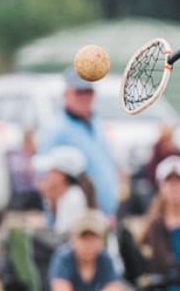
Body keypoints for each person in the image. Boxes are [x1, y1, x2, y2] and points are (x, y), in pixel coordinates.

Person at [40, 67, 121, 220]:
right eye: (79, 92)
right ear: (66, 94)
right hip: (78, 221)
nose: (85, 97)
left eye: (89, 92)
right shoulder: (58, 130)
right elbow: (46, 181)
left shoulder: (96, 124)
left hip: (105, 217)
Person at [34, 146, 97, 237]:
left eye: (51, 171)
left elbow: (64, 239)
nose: (47, 175)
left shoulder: (73, 198)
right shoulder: (67, 196)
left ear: (62, 175)